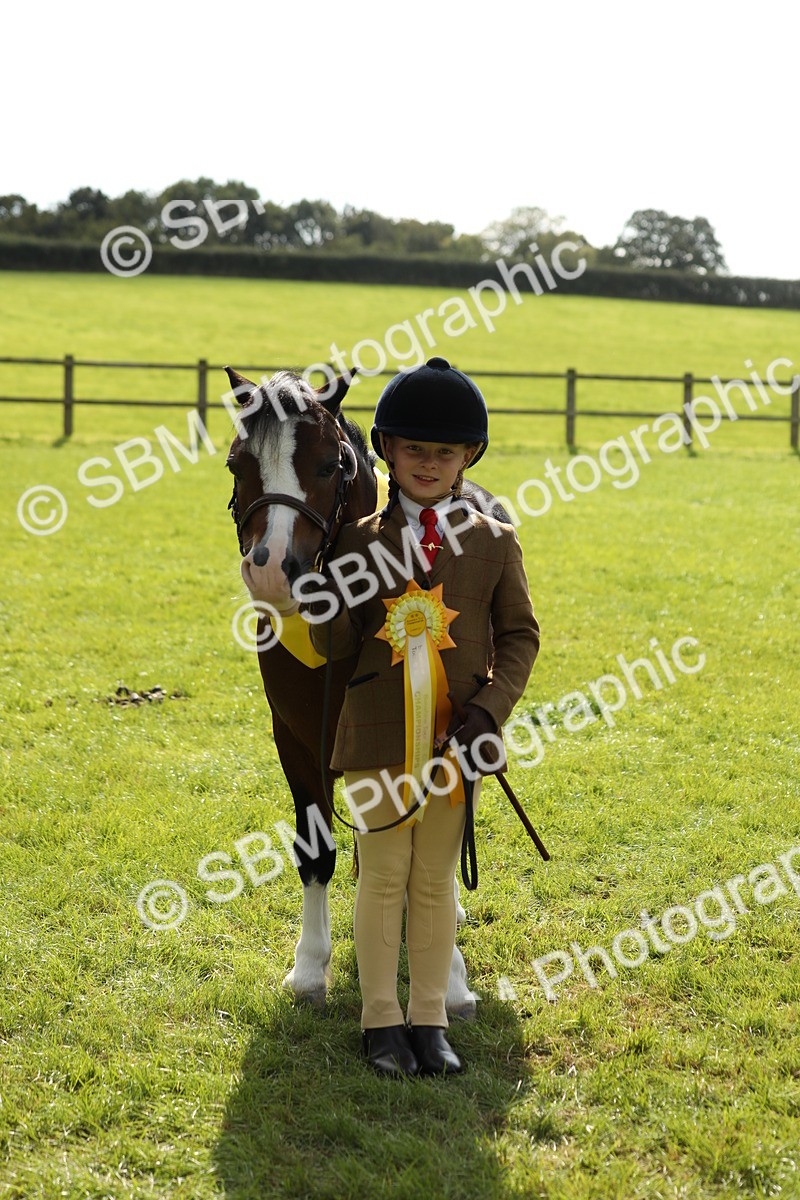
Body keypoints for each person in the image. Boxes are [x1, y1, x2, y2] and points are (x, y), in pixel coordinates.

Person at [308, 356, 540, 1077]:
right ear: (386, 451)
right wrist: (320, 601)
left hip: (456, 742)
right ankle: (381, 1023)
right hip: (378, 735)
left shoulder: (496, 541)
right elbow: (332, 646)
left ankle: (430, 1019)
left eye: (445, 452)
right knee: (382, 873)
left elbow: (521, 635)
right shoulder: (353, 542)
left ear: (470, 456)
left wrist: (491, 712)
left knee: (434, 879)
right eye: (414, 450)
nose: (429, 464)